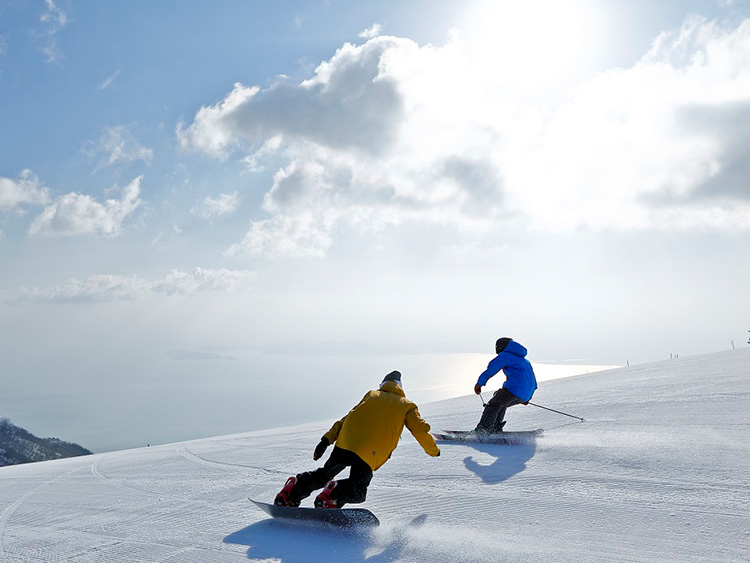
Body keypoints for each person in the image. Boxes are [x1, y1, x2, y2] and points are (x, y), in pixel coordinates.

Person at [274, 370, 440, 508]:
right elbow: (420, 430)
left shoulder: (371, 395)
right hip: (369, 452)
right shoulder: (407, 405)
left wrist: (326, 440)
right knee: (359, 490)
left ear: (383, 384)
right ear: (400, 387)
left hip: (345, 443)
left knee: (323, 475)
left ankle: (291, 492)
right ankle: (332, 496)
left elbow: (347, 418)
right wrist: (433, 451)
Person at [473, 337, 537, 433]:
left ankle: (483, 430)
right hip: (525, 394)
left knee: (493, 405)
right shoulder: (524, 360)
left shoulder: (505, 356)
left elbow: (491, 369)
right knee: (500, 403)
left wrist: (479, 383)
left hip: (514, 390)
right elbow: (532, 381)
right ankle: (495, 428)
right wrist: (527, 398)